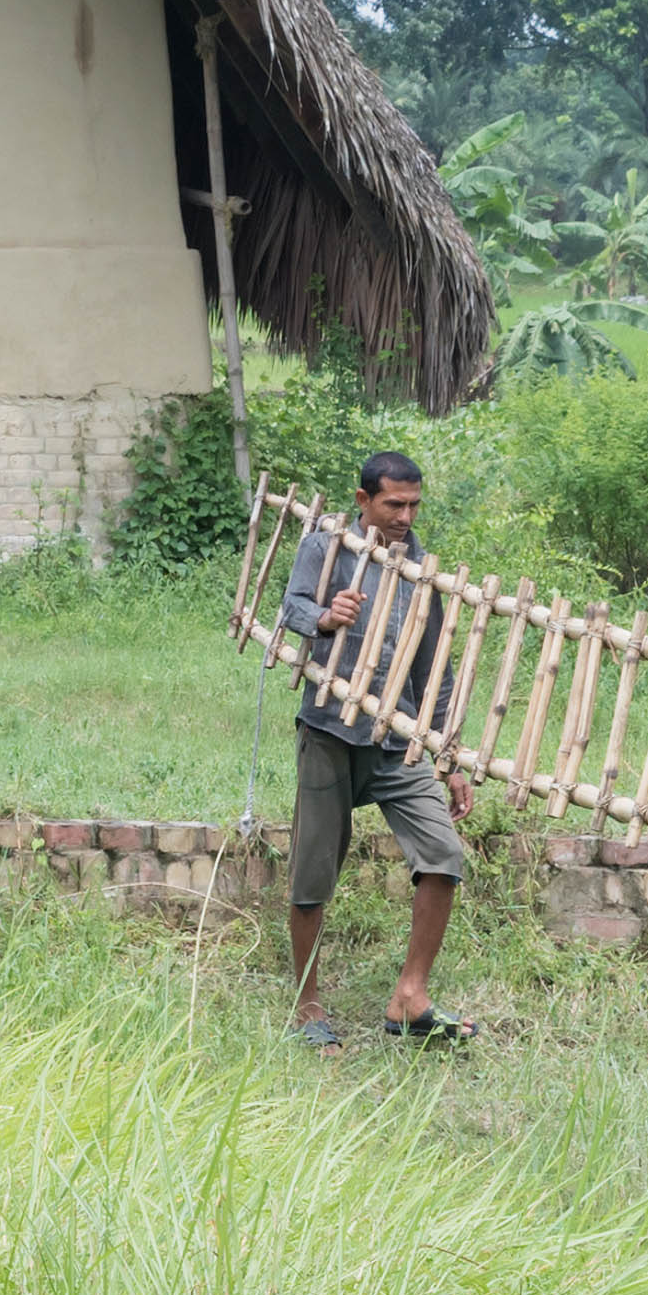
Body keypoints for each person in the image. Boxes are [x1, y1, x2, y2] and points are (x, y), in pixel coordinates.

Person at [279, 449, 470, 1048]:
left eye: (414, 504)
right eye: (394, 504)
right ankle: (308, 1005)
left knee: (443, 854)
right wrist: (327, 618)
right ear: (364, 501)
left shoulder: (422, 571)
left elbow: (433, 670)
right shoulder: (325, 547)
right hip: (329, 732)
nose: (405, 517)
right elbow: (292, 608)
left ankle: (409, 998)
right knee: (313, 874)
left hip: (397, 740)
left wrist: (449, 757)